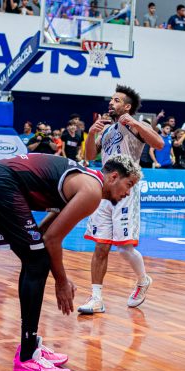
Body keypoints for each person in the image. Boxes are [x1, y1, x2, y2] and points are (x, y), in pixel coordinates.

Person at [0, 153, 141, 371]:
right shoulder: (92, 192)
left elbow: (44, 234)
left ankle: (30, 345)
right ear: (113, 177)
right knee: (37, 261)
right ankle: (26, 359)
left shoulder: (85, 181)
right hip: (0, 182)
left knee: (35, 258)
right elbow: (52, 239)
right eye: (129, 184)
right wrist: (61, 282)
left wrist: (58, 275)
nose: (128, 193)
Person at [79, 85, 164, 314]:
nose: (111, 102)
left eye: (116, 100)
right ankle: (96, 298)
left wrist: (135, 122)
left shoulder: (136, 125)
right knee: (100, 246)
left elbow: (159, 144)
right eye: (111, 99)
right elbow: (89, 156)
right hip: (104, 189)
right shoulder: (107, 129)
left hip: (125, 189)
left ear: (127, 107)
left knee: (125, 249)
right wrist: (91, 134)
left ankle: (143, 280)